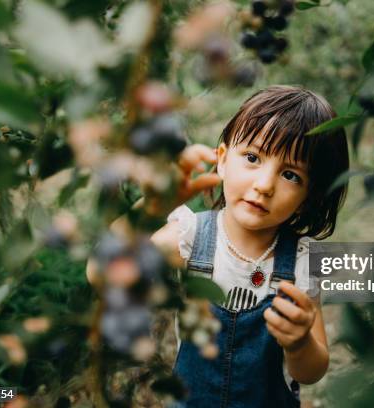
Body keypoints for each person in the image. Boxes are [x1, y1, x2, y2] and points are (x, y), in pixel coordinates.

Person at [150, 85, 350, 407]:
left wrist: (299, 345)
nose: (265, 185)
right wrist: (147, 210)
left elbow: (313, 370)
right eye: (253, 157)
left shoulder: (300, 261)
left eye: (290, 174)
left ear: (307, 197)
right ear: (223, 160)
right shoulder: (189, 237)